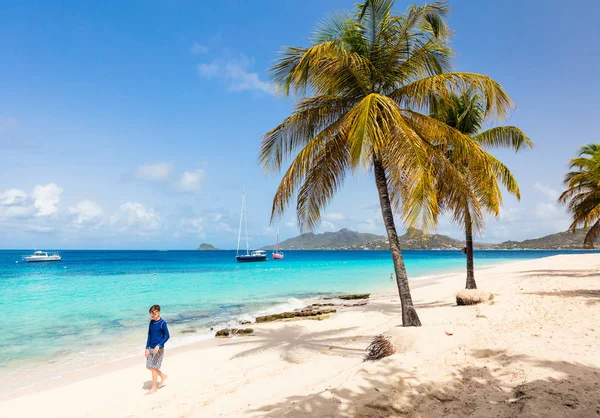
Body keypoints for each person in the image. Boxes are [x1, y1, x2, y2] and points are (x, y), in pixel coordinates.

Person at [145, 304, 170, 395]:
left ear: (158, 313)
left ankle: (154, 387)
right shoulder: (151, 322)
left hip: (158, 349)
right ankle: (163, 376)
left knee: (154, 368)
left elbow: (167, 336)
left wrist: (159, 345)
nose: (152, 316)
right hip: (150, 347)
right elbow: (149, 335)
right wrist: (147, 348)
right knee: (148, 366)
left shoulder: (162, 323)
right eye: (151, 314)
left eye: (154, 314)